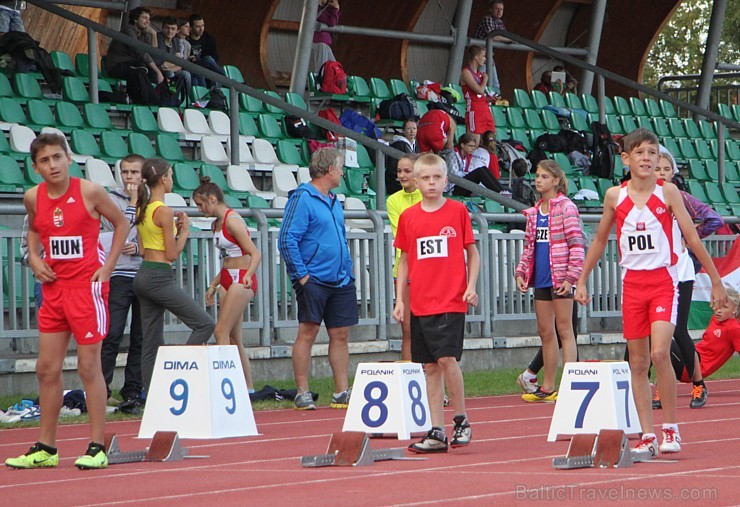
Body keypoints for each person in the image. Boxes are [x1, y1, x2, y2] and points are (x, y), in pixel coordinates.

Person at [574, 128, 727, 458]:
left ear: (659, 159)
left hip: (664, 282)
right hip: (632, 284)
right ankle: (647, 433)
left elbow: (692, 236)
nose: (647, 158)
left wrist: (714, 280)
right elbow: (600, 240)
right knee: (638, 363)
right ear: (626, 159)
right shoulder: (615, 196)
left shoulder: (667, 192)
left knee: (660, 353)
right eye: (640, 153)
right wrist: (582, 279)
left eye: (652, 153)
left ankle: (671, 427)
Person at [5, 133, 129, 470]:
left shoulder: (89, 191)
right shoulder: (34, 197)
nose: (53, 165)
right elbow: (33, 230)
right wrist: (33, 256)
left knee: (89, 367)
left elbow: (121, 223)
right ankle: (46, 446)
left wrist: (108, 267)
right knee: (46, 368)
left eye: (57, 157)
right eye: (45, 161)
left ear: (68, 158)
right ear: (35, 167)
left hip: (86, 288)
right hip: (54, 290)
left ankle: (96, 446)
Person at [393, 153, 480, 453]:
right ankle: (436, 430)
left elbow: (473, 252)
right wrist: (399, 300)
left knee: (446, 359)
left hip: (451, 299)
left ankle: (461, 419)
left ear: (446, 179)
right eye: (425, 179)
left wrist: (471, 286)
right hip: (420, 301)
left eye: (437, 178)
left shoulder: (457, 212)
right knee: (429, 367)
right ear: (415, 182)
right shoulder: (408, 217)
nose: (431, 183)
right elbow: (404, 260)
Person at [277, 147, 358, 410]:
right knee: (308, 332)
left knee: (341, 333)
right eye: (340, 167)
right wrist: (302, 276)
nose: (342, 172)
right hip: (314, 279)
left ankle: (341, 391)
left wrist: (347, 271)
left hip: (340, 279)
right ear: (329, 170)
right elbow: (287, 239)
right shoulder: (302, 198)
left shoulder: (334, 201)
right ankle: (302, 392)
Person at [133, 158, 215, 400]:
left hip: (143, 274)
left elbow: (141, 247)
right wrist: (185, 232)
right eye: (170, 175)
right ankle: (183, 372)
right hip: (159, 276)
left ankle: (151, 395)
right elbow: (171, 254)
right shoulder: (164, 211)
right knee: (205, 324)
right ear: (164, 179)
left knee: (151, 341)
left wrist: (174, 231)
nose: (172, 180)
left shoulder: (142, 207)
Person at [649, 147, 722, 409]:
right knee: (656, 335)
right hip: (653, 272)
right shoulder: (640, 197)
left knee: (678, 330)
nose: (661, 174)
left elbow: (713, 219)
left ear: (673, 173)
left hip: (680, 272)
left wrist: (689, 240)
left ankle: (699, 384)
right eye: (657, 168)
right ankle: (658, 390)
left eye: (666, 169)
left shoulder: (678, 197)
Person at [515, 160, 584, 402]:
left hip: (561, 277)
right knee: (545, 332)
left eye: (544, 176)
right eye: (537, 175)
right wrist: (521, 272)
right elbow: (528, 248)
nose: (538, 180)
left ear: (555, 181)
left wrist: (571, 277)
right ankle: (547, 386)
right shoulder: (534, 213)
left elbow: (577, 244)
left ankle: (571, 384)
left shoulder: (566, 208)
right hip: (542, 278)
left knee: (565, 330)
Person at [193, 177, 261, 393]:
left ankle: (227, 385)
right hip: (226, 277)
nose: (199, 209)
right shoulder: (216, 223)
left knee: (220, 330)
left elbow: (254, 253)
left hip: (241, 278)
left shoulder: (233, 221)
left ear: (212, 199)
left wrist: (248, 275)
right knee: (233, 336)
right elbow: (227, 258)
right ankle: (247, 387)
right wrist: (214, 284)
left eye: (200, 204)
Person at [100, 155, 145, 414]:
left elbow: (155, 235)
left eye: (134, 173)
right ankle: (102, 391)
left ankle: (132, 390)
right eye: (126, 172)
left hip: (142, 274)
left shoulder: (150, 201)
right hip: (118, 274)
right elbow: (118, 229)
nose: (129, 178)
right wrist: (132, 203)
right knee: (112, 333)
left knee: (140, 336)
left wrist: (139, 247)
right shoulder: (111, 199)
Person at [387, 154, 422, 361]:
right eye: (399, 171)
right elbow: (401, 234)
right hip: (404, 269)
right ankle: (411, 380)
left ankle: (432, 383)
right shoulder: (393, 200)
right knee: (407, 328)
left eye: (407, 171)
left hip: (428, 269)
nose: (402, 175)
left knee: (428, 328)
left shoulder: (428, 196)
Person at [105, 6, 164, 86]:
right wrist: (157, 71)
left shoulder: (143, 33)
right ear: (135, 19)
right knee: (143, 68)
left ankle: (157, 96)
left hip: (132, 64)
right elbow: (140, 52)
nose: (148, 22)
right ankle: (146, 97)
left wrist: (154, 34)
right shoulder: (128, 31)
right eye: (145, 18)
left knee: (156, 72)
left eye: (149, 19)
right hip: (116, 67)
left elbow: (152, 52)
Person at [460, 45, 495, 147]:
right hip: (475, 110)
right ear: (476, 57)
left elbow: (480, 95)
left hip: (485, 108)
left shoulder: (480, 73)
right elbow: (479, 90)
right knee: (474, 143)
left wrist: (488, 99)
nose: (485, 59)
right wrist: (485, 80)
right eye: (483, 56)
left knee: (490, 140)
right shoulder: (466, 72)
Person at [472, 0, 508, 92]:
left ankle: (495, 102)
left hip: (489, 55)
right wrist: (510, 40)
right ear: (491, 10)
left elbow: (504, 36)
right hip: (479, 54)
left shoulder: (500, 22)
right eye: (497, 9)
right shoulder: (487, 19)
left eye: (501, 9)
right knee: (480, 80)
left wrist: (508, 39)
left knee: (495, 84)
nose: (499, 11)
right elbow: (493, 36)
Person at [156, 16, 192, 99]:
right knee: (170, 74)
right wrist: (171, 64)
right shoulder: (159, 38)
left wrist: (169, 66)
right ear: (162, 28)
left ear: (177, 31)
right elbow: (161, 63)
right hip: (157, 70)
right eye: (167, 28)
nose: (169, 31)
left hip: (171, 69)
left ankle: (187, 100)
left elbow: (180, 64)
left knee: (186, 74)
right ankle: (170, 98)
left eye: (173, 29)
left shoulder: (176, 42)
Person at [187, 14, 225, 88]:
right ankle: (229, 81)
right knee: (207, 59)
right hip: (193, 68)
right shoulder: (186, 40)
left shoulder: (209, 39)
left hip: (206, 68)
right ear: (190, 28)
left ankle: (226, 80)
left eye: (203, 25)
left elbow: (215, 57)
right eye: (198, 27)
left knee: (208, 60)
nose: (201, 29)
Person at [385, 119, 419, 195]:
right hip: (396, 182)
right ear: (403, 131)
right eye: (408, 128)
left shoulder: (416, 145)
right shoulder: (398, 145)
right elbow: (392, 168)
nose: (412, 131)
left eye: (414, 128)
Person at [312, 0, 340, 72]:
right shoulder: (315, 8)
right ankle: (318, 82)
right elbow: (331, 23)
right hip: (320, 41)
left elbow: (333, 22)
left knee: (335, 69)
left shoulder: (323, 9)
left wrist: (335, 9)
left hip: (324, 42)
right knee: (321, 68)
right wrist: (335, 9)